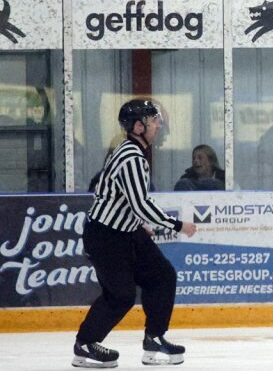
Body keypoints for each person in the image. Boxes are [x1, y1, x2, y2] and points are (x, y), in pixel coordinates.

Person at [72, 99, 198, 368]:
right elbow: (139, 203)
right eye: (154, 121)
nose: (159, 126)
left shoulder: (134, 152)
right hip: (106, 237)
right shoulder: (131, 156)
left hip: (128, 231)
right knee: (121, 295)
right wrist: (177, 225)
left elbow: (127, 202)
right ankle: (85, 343)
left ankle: (154, 338)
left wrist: (139, 223)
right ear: (139, 127)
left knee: (162, 276)